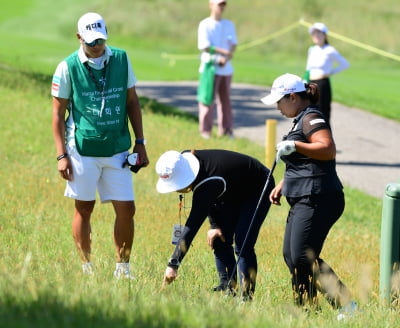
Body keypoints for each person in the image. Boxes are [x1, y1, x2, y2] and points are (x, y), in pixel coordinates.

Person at [51, 12, 149, 278]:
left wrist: (140, 142)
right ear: (79, 37)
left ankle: (123, 269)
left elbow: (132, 102)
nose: (97, 47)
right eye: (91, 42)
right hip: (82, 148)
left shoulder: (121, 59)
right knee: (84, 207)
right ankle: (87, 268)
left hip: (117, 147)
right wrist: (61, 155)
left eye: (101, 41)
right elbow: (58, 114)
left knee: (127, 208)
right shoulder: (67, 67)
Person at [261, 73, 356, 317]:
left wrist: (296, 146)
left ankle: (341, 305)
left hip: (320, 197)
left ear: (293, 97)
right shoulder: (299, 119)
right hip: (305, 195)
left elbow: (327, 149)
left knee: (302, 257)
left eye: (279, 102)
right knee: (291, 256)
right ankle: (307, 310)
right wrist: (284, 182)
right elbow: (306, 162)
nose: (278, 108)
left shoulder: (312, 117)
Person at [156, 149, 274, 300]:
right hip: (232, 187)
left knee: (243, 243)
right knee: (219, 236)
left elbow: (192, 225)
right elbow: (210, 194)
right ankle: (228, 288)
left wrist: (173, 264)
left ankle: (246, 298)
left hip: (258, 186)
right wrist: (215, 225)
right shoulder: (185, 160)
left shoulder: (208, 183)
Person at [197, 0, 237, 139]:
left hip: (226, 69)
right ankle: (205, 130)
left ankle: (226, 130)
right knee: (207, 100)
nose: (221, 7)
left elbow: (233, 44)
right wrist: (223, 54)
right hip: (210, 68)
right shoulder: (205, 24)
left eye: (223, 4)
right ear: (211, 5)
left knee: (225, 101)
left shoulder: (228, 24)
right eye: (219, 4)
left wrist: (227, 56)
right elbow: (205, 46)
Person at [305, 22, 349, 123]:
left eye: (318, 33)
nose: (316, 36)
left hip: (322, 84)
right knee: (311, 113)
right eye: (314, 33)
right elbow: (308, 68)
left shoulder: (329, 50)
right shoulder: (312, 49)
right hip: (311, 83)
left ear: (324, 35)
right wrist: (305, 82)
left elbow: (344, 64)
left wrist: (330, 72)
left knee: (322, 113)